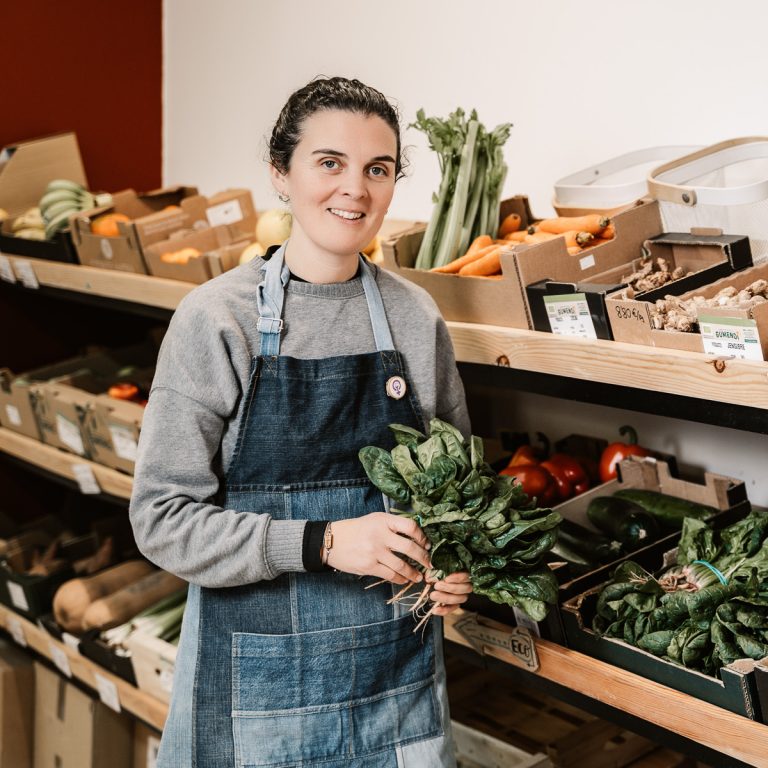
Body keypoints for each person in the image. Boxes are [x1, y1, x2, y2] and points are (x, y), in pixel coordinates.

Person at [129, 75, 473, 768]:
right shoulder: (215, 319)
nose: (356, 189)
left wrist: (456, 568)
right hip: (252, 697)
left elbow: (459, 497)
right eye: (329, 163)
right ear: (280, 175)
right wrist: (320, 541)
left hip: (392, 686)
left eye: (377, 169)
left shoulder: (414, 318)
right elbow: (162, 520)